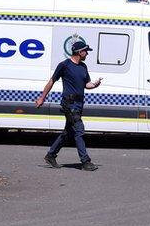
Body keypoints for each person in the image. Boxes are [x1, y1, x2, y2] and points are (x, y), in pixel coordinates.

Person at [35, 40, 102, 171]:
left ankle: (51, 155)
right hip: (69, 104)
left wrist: (94, 85)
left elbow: (86, 84)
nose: (87, 54)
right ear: (79, 52)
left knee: (68, 132)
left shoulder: (83, 67)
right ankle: (85, 161)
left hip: (78, 104)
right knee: (79, 130)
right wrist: (42, 98)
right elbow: (51, 81)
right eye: (86, 51)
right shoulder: (64, 65)